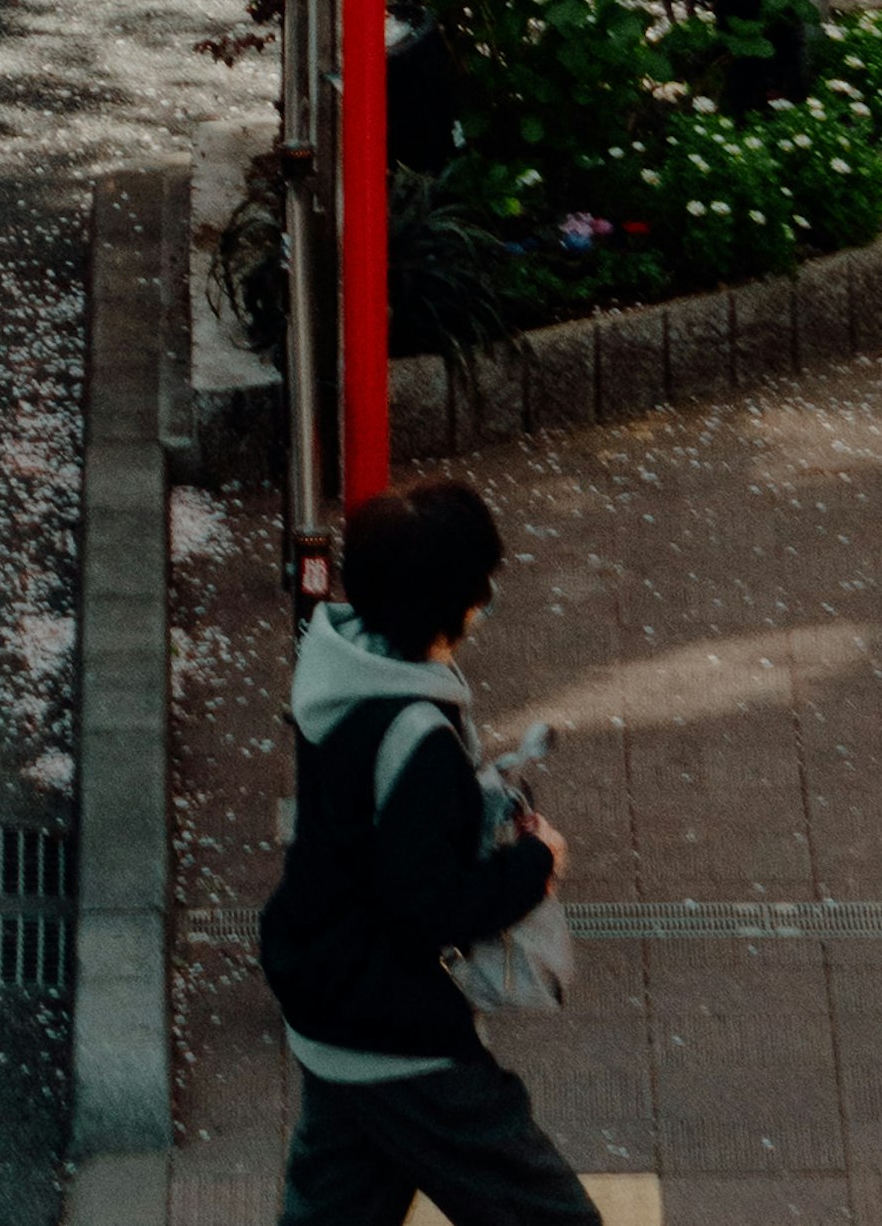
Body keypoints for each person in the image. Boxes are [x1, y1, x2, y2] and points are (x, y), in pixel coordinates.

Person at [257, 474, 598, 1226]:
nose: (485, 602)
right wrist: (536, 864)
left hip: (330, 1005)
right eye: (481, 588)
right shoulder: (416, 737)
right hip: (400, 1039)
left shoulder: (338, 670)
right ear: (450, 606)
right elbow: (429, 906)